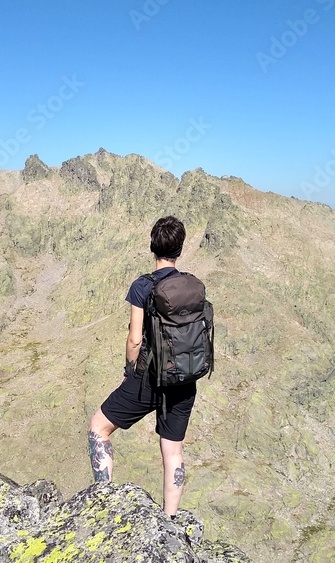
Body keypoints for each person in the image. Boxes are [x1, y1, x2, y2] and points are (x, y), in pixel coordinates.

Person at [87, 215, 198, 516]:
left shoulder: (142, 286)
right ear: (180, 248)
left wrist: (129, 372)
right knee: (173, 449)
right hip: (185, 379)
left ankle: (103, 499)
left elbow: (135, 339)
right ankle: (171, 519)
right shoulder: (191, 285)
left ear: (152, 246)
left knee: (99, 427)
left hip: (148, 378)